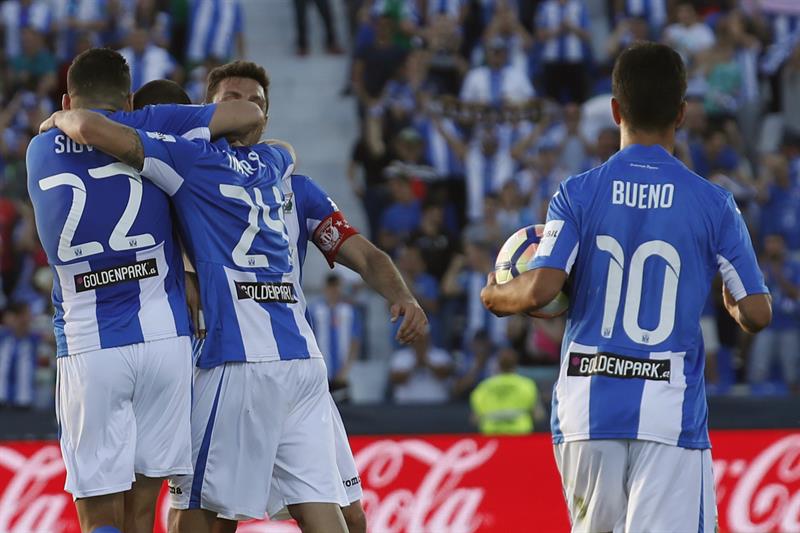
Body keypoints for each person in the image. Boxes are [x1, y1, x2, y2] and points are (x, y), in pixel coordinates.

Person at [480, 42, 772, 531]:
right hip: (667, 414)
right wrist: (735, 307)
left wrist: (494, 295)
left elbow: (539, 288)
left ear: (615, 110)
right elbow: (758, 313)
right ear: (681, 114)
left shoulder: (577, 192)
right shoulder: (714, 204)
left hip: (584, 409)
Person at [27, 47, 269, 533]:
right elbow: (248, 113)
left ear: (69, 98)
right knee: (142, 515)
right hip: (164, 340)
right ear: (130, 99)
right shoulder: (155, 124)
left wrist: (64, 118)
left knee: (98, 517)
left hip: (89, 344)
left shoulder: (39, 147)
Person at [749, 233, 800, 393]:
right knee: (758, 368)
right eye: (769, 243)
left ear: (783, 244)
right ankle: (755, 408)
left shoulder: (793, 266)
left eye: (775, 242)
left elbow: (796, 293)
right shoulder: (759, 266)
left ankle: (793, 411)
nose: (771, 246)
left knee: (791, 370)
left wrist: (779, 275)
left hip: (788, 324)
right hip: (766, 325)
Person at [308, 274, 364, 395]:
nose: (334, 291)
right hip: (321, 371)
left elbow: (355, 341)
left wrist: (346, 369)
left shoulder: (349, 310)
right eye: (331, 287)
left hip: (344, 373)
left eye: (336, 287)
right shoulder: (315, 310)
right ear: (325, 288)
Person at [470, 348, 540, 435]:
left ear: (498, 365)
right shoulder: (527, 385)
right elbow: (538, 415)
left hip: (491, 436)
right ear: (515, 364)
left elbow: (475, 419)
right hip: (520, 435)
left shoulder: (483, 387)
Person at [0, 301, 40, 409]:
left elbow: (51, 340)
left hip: (25, 404)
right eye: (27, 314)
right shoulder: (3, 337)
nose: (30, 318)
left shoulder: (34, 337)